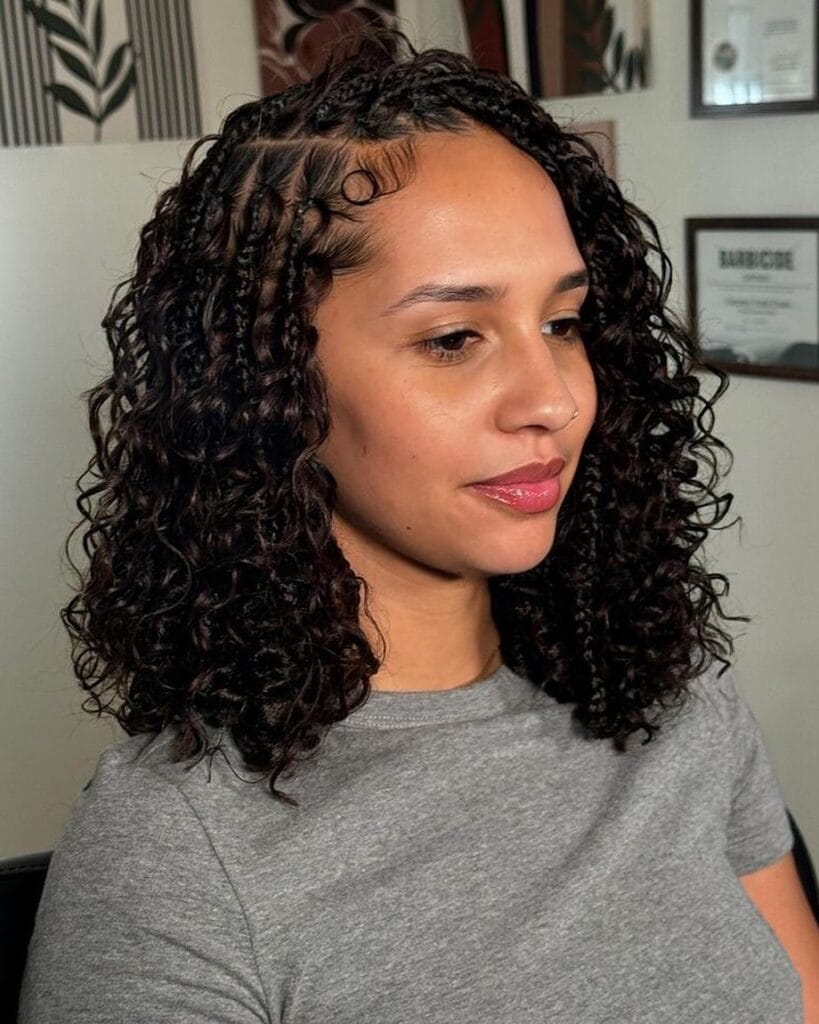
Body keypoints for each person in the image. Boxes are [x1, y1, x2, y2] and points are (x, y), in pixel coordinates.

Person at [18, 21, 817, 1024]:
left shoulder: (676, 700)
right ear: (272, 385)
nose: (554, 399)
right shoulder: (180, 853)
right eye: (453, 337)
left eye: (562, 323)